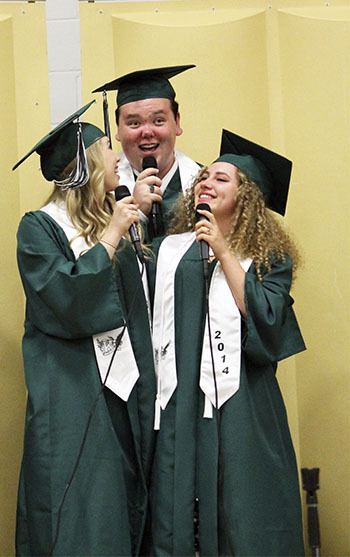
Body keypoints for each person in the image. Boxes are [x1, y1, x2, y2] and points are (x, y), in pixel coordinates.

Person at [147, 129, 306, 556]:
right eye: (204, 177)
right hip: (180, 402)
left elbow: (267, 321)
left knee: (242, 503)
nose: (206, 183)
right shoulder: (168, 252)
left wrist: (222, 249)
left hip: (242, 403)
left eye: (221, 179)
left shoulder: (271, 260)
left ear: (247, 197)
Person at [13, 101, 155, 556]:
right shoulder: (39, 229)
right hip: (72, 395)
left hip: (121, 392)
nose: (116, 157)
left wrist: (131, 225)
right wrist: (112, 236)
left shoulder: (107, 219)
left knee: (121, 508)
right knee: (79, 515)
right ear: (84, 167)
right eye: (104, 148)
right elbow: (67, 301)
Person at [92, 65, 201, 236]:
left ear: (177, 123)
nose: (147, 132)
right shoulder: (98, 195)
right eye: (134, 123)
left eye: (158, 121)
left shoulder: (204, 186)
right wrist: (138, 211)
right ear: (118, 130)